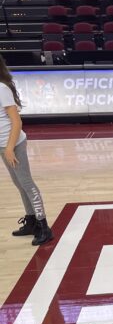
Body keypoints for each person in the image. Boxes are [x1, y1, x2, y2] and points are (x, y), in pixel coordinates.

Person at [1, 55, 53, 246]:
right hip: (3, 145)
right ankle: (31, 220)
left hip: (13, 143)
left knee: (26, 183)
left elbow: (16, 122)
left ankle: (43, 226)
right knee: (18, 183)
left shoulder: (2, 88)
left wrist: (9, 148)